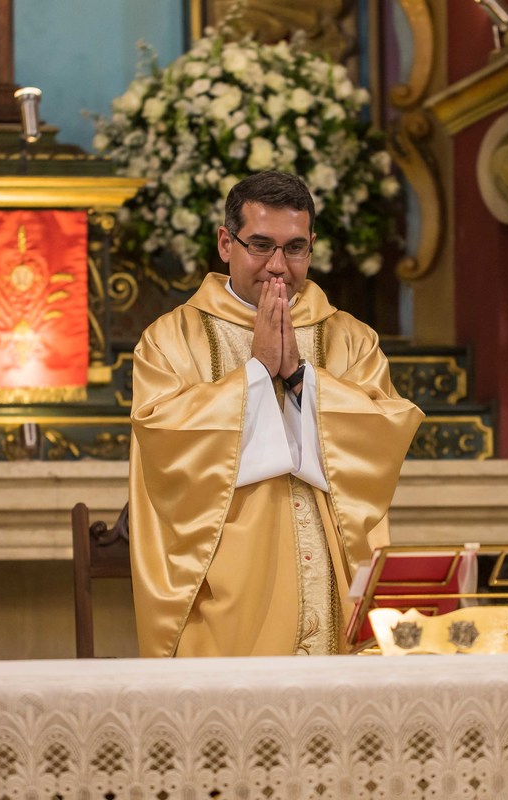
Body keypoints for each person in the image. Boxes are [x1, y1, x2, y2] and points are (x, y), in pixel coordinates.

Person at [129, 171, 423, 657]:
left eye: (295, 248)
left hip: (335, 583)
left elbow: (383, 436)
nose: (278, 268)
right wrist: (257, 375)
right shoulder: (171, 339)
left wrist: (303, 381)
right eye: (261, 246)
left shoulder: (350, 338)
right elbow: (166, 446)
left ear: (312, 247)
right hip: (230, 593)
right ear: (226, 243)